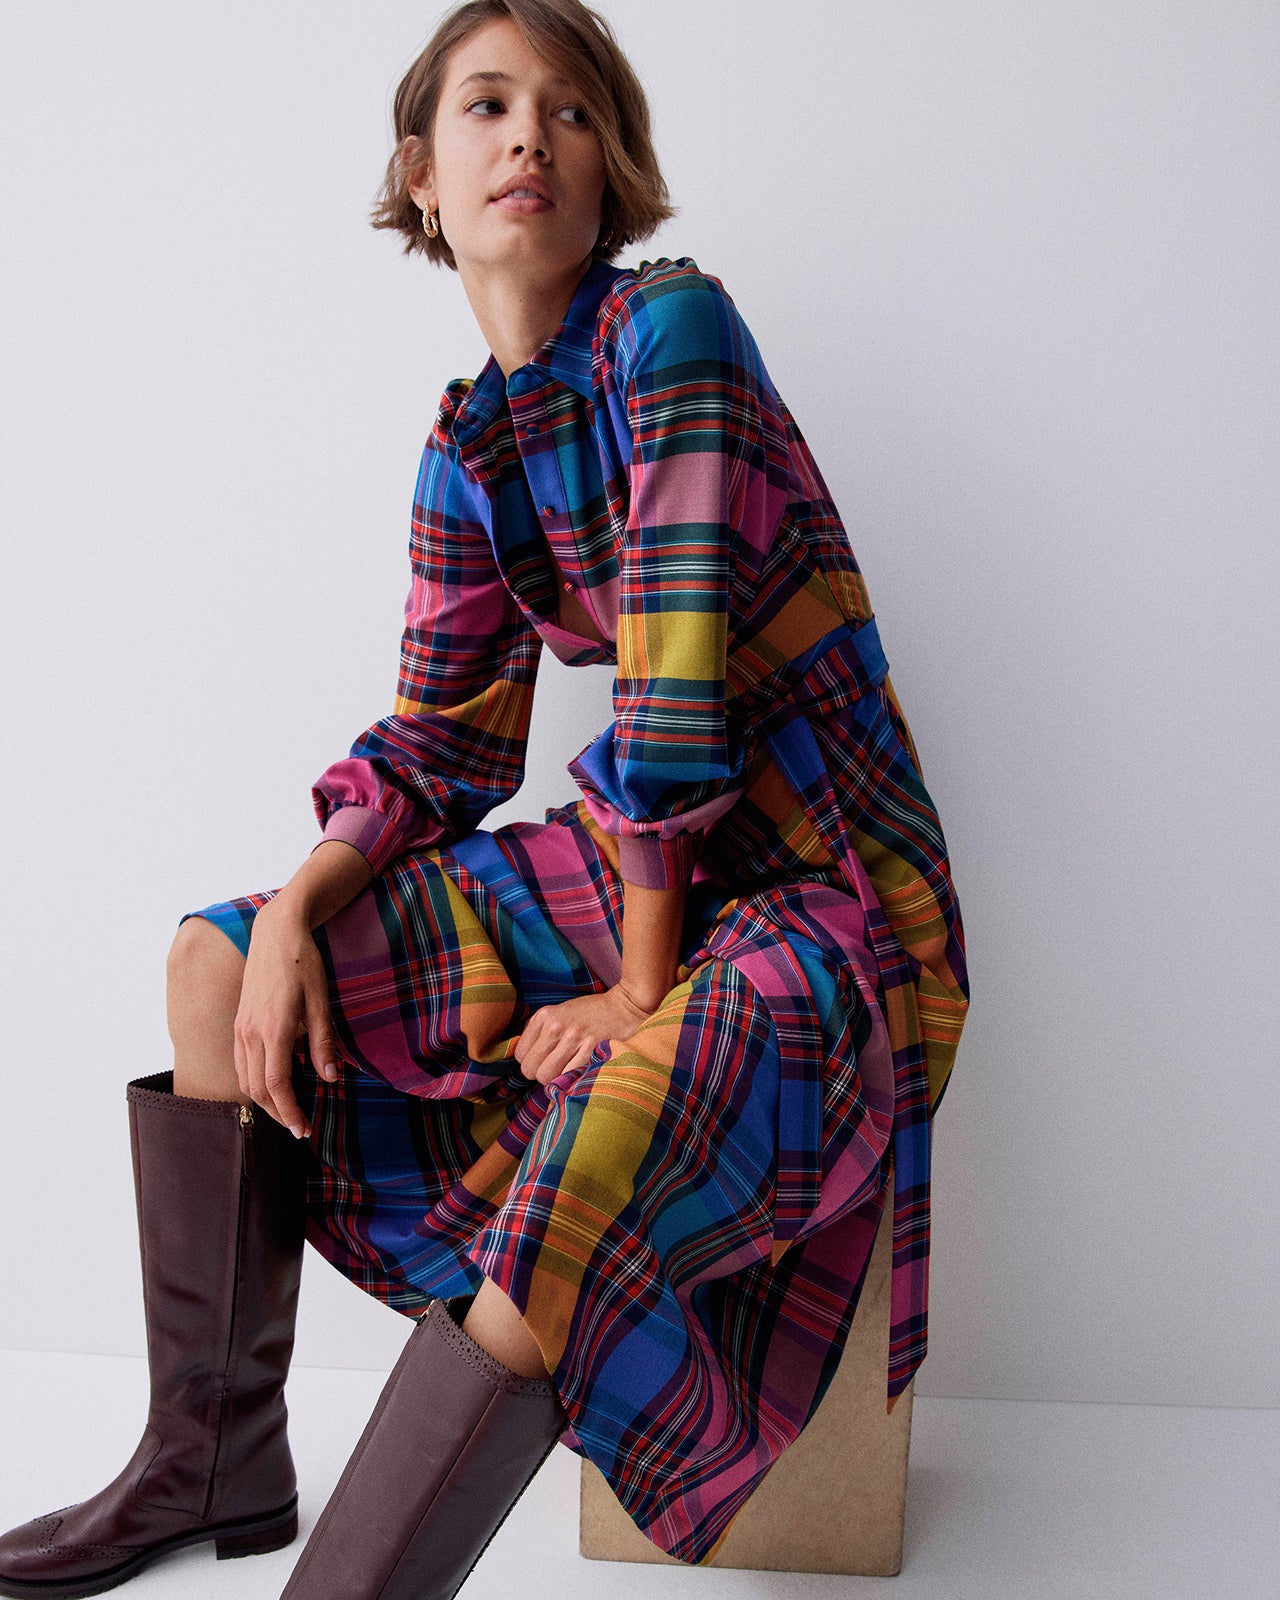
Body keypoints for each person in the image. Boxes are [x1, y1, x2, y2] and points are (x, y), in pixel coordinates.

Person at [0, 1, 970, 1596]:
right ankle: (214, 1455)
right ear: (422, 174)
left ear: (613, 175)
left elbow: (667, 690)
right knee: (214, 960)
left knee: (580, 1162)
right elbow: (443, 747)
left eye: (574, 113)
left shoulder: (674, 334)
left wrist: (641, 996)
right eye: (489, 105)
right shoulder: (469, 447)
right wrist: (304, 905)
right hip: (641, 870)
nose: (532, 134)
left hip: (834, 896)